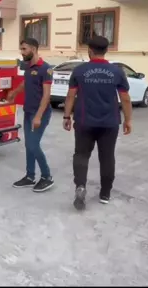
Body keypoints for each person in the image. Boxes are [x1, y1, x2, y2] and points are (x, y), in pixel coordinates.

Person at [62, 36, 132, 211]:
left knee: (81, 155)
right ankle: (105, 194)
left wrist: (66, 116)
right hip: (110, 122)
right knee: (107, 157)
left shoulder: (79, 70)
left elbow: (71, 95)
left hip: (84, 121)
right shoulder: (117, 71)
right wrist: (128, 120)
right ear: (106, 50)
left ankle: (80, 186)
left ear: (90, 51)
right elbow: (125, 98)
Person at [6, 38, 55, 192]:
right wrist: (14, 92)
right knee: (29, 145)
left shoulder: (45, 69)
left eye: (24, 49)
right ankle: (30, 176)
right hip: (28, 111)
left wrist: (39, 116)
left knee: (33, 145)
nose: (22, 52)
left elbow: (46, 96)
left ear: (33, 49)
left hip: (40, 113)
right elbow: (25, 83)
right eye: (21, 49)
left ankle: (47, 176)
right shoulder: (28, 66)